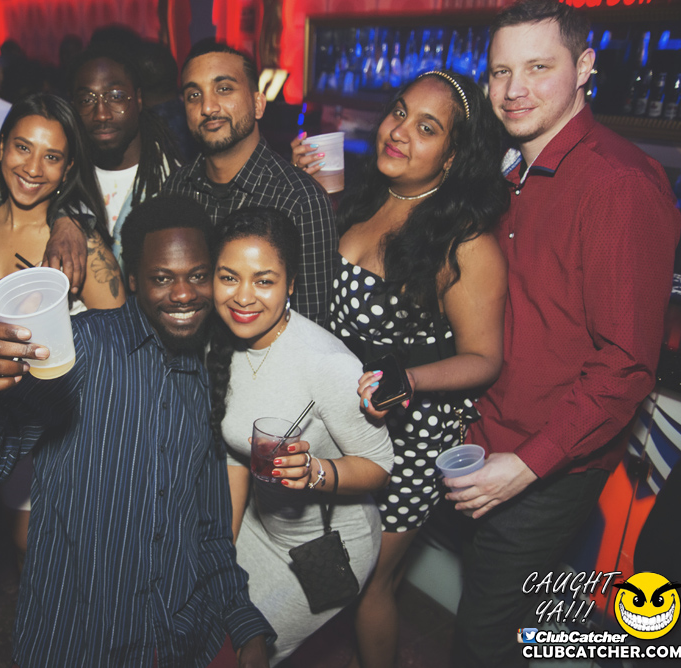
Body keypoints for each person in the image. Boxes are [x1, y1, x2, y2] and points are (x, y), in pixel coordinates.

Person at [442, 3, 681, 666]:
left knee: (484, 639)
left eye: (538, 67)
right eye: (500, 72)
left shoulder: (618, 185)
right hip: (489, 435)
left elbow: (625, 366)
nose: (514, 90)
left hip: (549, 459)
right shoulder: (511, 171)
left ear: (584, 67)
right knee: (497, 617)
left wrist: (525, 465)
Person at [0, 194, 274, 668]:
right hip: (78, 643)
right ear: (133, 279)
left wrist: (244, 625)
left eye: (198, 276)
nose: (183, 294)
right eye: (162, 278)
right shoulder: (81, 347)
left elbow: (210, 527)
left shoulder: (203, 379)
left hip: (175, 643)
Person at [292, 69, 508, 668]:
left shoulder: (465, 244)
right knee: (325, 562)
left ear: (454, 155)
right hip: (339, 417)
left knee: (370, 584)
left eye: (427, 128)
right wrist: (314, 196)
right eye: (399, 112)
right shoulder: (363, 199)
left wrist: (409, 379)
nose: (399, 131)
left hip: (408, 438)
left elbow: (485, 358)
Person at [207, 207, 394, 664]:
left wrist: (315, 471)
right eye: (229, 277)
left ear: (290, 284)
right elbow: (235, 455)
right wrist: (223, 551)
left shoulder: (326, 364)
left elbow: (380, 467)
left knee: (249, 654)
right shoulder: (220, 341)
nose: (243, 297)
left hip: (328, 546)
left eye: (264, 281)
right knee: (212, 631)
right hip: (260, 525)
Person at [0, 92, 125, 563]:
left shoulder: (79, 244)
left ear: (68, 169)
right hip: (7, 425)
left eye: (52, 157)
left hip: (74, 425)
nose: (33, 168)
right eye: (23, 147)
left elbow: (126, 346)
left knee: (57, 546)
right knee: (23, 545)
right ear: (2, 145)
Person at [163, 40, 337, 327]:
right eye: (194, 95)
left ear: (258, 104)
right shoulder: (176, 189)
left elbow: (310, 326)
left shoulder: (300, 200)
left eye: (224, 89)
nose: (207, 107)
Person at [70, 43, 183, 264]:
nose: (101, 114)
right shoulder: (63, 180)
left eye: (115, 97)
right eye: (87, 100)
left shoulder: (175, 182)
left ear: (138, 99)